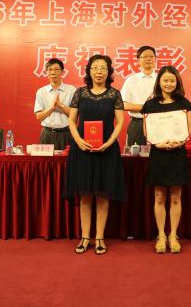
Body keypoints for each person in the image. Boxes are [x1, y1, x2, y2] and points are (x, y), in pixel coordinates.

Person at [64, 55, 125, 255]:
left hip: (107, 150)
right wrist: (78, 140)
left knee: (103, 195)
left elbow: (120, 122)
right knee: (85, 195)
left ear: (109, 72)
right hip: (82, 149)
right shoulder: (80, 93)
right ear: (89, 71)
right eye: (95, 68)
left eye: (103, 68)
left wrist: (109, 142)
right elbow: (72, 120)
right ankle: (84, 237)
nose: (99, 71)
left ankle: (99, 237)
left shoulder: (115, 94)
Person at [141, 66, 191, 253]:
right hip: (158, 154)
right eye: (165, 80)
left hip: (177, 154)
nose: (169, 84)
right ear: (159, 83)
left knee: (175, 197)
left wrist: (180, 141)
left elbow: (187, 129)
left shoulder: (184, 103)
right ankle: (161, 235)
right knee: (159, 196)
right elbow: (147, 132)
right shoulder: (150, 104)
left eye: (172, 80)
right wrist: (158, 144)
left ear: (177, 82)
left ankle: (173, 235)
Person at [33, 58, 76, 150]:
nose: (53, 72)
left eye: (56, 69)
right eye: (50, 69)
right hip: (47, 133)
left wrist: (61, 105)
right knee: (45, 159)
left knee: (67, 159)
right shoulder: (41, 92)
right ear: (46, 72)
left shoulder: (71, 90)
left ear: (62, 72)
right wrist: (51, 108)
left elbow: (75, 114)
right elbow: (39, 116)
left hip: (66, 133)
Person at [120, 46, 157, 147]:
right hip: (137, 124)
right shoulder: (131, 80)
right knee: (135, 154)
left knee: (158, 154)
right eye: (144, 56)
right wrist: (146, 107)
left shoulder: (161, 79)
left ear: (155, 59)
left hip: (158, 122)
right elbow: (122, 104)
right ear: (138, 60)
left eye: (151, 56)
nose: (148, 59)